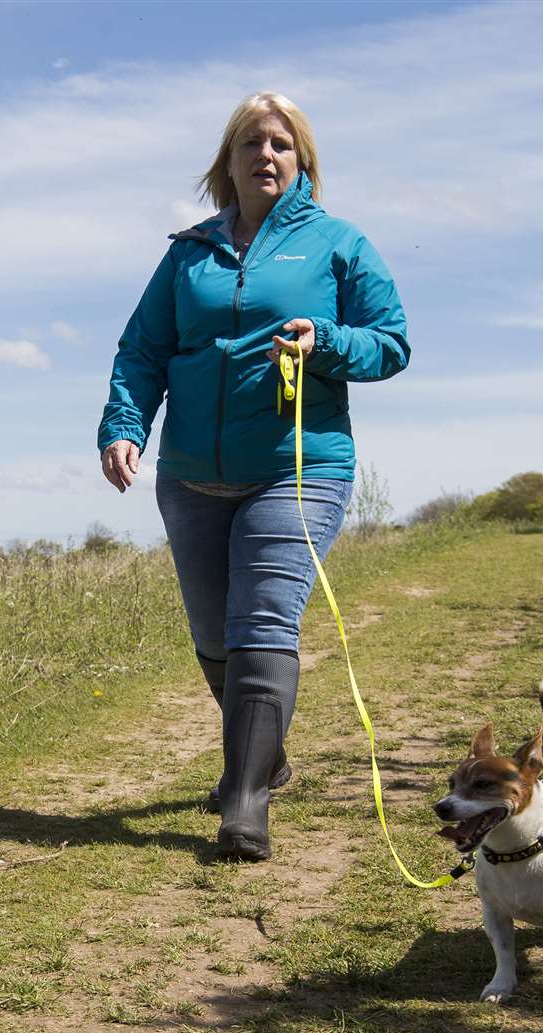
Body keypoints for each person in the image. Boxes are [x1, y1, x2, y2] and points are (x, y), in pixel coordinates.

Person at [96, 91, 410, 861]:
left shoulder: (338, 244)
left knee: (262, 620)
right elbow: (142, 351)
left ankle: (244, 801)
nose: (265, 156)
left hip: (297, 468)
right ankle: (262, 754)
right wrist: (123, 427)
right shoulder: (187, 253)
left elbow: (391, 344)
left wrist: (327, 339)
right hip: (192, 475)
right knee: (213, 633)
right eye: (250, 144)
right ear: (226, 161)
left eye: (281, 145)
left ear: (301, 162)